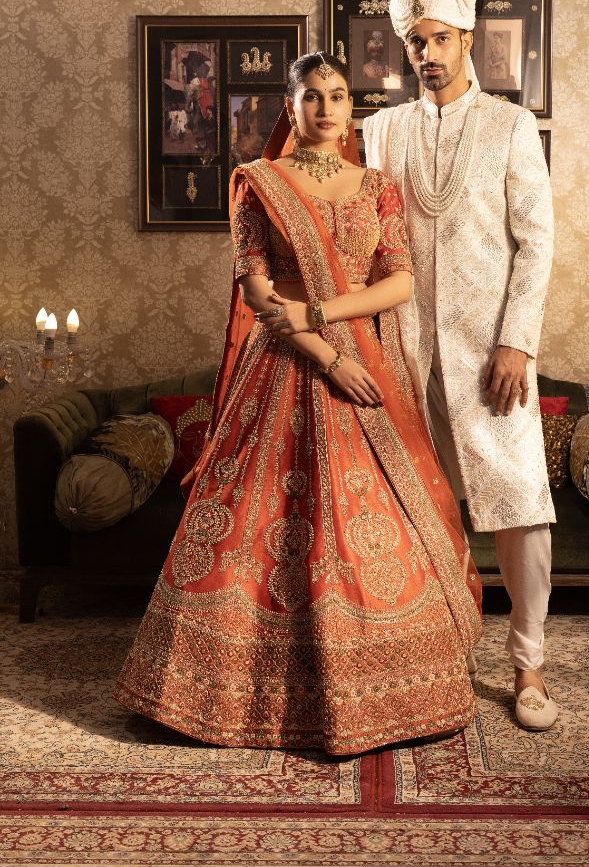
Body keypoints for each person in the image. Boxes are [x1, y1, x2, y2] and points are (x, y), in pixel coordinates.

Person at [114, 51, 483, 755]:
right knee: (262, 521)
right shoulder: (260, 184)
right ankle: (229, 695)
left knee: (378, 521)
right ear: (291, 106)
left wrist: (323, 312)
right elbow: (255, 289)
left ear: (352, 109)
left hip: (362, 357)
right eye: (311, 96)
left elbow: (400, 282)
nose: (325, 108)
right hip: (286, 364)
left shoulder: (380, 187)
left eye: (338, 96)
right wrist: (329, 352)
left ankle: (393, 690)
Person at [363, 0, 557, 731]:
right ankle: (430, 659)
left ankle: (529, 666)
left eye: (440, 37)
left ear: (468, 36)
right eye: (415, 41)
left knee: (520, 506)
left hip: (489, 356)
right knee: (414, 506)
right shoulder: (383, 130)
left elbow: (536, 243)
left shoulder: (510, 126)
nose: (428, 54)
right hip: (405, 354)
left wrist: (516, 341)